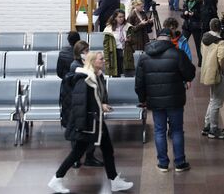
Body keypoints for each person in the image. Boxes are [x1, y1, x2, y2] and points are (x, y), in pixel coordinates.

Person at [49, 52, 134, 193]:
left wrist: (101, 105)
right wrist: (100, 107)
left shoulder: (96, 76)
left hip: (95, 121)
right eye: (101, 59)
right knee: (77, 153)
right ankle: (56, 179)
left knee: (107, 149)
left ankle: (114, 180)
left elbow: (92, 99)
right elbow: (81, 103)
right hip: (88, 123)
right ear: (93, 62)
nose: (104, 61)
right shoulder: (85, 79)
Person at [135, 29, 196, 173]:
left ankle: (163, 163)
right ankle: (180, 162)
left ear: (157, 38)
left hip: (155, 101)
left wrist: (142, 99)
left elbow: (139, 82)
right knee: (176, 131)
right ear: (169, 39)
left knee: (159, 131)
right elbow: (190, 73)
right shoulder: (177, 54)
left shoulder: (144, 57)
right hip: (175, 99)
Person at [60, 40, 103, 169]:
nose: (88, 53)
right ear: (79, 53)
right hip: (75, 103)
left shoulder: (84, 65)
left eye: (88, 50)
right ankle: (78, 159)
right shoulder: (77, 67)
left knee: (85, 132)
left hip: (79, 103)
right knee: (78, 133)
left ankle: (85, 157)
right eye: (85, 51)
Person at [200, 18, 224, 139]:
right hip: (217, 72)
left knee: (212, 99)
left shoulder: (205, 38)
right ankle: (214, 128)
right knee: (217, 101)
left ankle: (207, 125)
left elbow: (202, 53)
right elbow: (222, 58)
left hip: (207, 70)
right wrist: (222, 69)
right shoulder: (220, 42)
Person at [103, 9, 135, 77]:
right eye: (119, 17)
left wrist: (130, 40)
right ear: (115, 17)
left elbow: (134, 43)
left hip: (126, 53)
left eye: (123, 17)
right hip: (114, 53)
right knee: (116, 74)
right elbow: (106, 47)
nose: (121, 19)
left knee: (128, 75)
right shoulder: (109, 29)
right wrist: (107, 60)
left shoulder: (128, 27)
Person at [181, 0, 203, 66]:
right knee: (182, 42)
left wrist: (194, 14)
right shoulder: (185, 3)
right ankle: (181, 60)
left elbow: (201, 15)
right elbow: (182, 15)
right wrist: (185, 13)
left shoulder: (199, 3)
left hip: (196, 26)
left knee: (198, 44)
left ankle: (201, 61)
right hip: (186, 26)